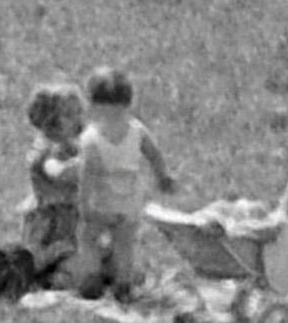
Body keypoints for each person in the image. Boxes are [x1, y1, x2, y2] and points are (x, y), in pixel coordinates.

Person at [72, 66, 176, 301]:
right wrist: (163, 176)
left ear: (94, 104)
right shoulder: (137, 130)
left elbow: (88, 175)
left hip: (101, 201)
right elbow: (153, 153)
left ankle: (91, 278)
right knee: (124, 244)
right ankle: (123, 284)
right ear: (128, 101)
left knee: (88, 238)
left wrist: (85, 205)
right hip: (129, 201)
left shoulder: (91, 139)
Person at [19, 81, 85, 288]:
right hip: (52, 230)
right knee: (77, 271)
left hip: (74, 222)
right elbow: (56, 171)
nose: (77, 120)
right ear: (50, 121)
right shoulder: (47, 150)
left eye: (78, 113)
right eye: (68, 115)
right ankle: (48, 278)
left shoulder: (72, 145)